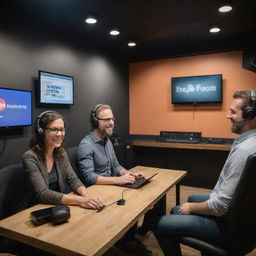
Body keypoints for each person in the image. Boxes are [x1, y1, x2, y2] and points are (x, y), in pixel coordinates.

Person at [155, 90, 256, 256]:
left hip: (229, 228)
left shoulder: (244, 151)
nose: (227, 116)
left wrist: (191, 208)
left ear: (249, 115)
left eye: (232, 112)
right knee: (189, 200)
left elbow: (219, 206)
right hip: (243, 221)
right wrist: (191, 206)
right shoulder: (250, 143)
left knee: (163, 222)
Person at [77, 104, 154, 255]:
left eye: (112, 118)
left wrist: (129, 174)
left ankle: (128, 240)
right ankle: (125, 242)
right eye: (106, 119)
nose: (111, 122)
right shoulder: (86, 145)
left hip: (111, 187)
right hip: (98, 192)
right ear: (95, 122)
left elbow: (116, 165)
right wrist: (118, 180)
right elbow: (89, 177)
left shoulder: (107, 141)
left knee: (145, 199)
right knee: (133, 202)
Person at [23, 110, 104, 210]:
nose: (59, 134)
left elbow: (73, 180)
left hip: (59, 205)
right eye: (54, 129)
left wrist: (86, 195)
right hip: (39, 209)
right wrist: (80, 201)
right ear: (41, 131)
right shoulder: (30, 157)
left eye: (62, 129)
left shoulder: (61, 154)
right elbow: (43, 193)